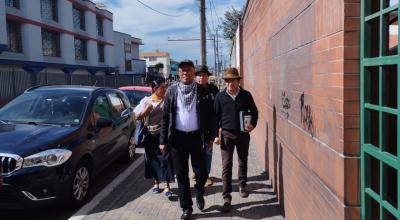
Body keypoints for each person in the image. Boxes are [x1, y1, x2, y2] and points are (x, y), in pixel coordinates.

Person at [160, 60, 216, 220]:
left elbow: (211, 116)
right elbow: (165, 118)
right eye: (182, 71)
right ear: (178, 73)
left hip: (197, 138)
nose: (186, 73)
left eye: (189, 70)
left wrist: (211, 136)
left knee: (202, 172)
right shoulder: (171, 91)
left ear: (193, 72)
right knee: (181, 174)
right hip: (177, 139)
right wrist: (163, 140)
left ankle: (199, 192)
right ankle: (186, 208)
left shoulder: (202, 91)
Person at [213, 67, 258, 212]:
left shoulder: (246, 95)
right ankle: (226, 197)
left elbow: (254, 111)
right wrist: (216, 135)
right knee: (226, 166)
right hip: (226, 135)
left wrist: (253, 124)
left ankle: (242, 185)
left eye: (233, 80)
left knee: (243, 160)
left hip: (243, 135)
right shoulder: (220, 97)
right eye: (228, 81)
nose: (230, 83)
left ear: (238, 81)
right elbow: (215, 117)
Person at [134, 79, 174, 199]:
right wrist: (148, 109)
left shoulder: (168, 100)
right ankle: (156, 183)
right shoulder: (147, 101)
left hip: (164, 135)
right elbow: (137, 116)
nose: (164, 89)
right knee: (152, 160)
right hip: (150, 135)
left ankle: (167, 186)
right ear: (155, 89)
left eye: (165, 87)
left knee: (166, 159)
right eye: (161, 87)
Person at [193, 65, 219, 187]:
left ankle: (206, 175)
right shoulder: (191, 90)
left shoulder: (214, 90)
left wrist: (217, 130)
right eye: (198, 75)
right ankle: (197, 172)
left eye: (204, 75)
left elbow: (218, 110)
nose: (201, 77)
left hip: (210, 127)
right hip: (195, 128)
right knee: (196, 152)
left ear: (208, 76)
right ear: (195, 77)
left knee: (208, 152)